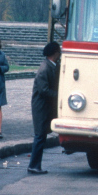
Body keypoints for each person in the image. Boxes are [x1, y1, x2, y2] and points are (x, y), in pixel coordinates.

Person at [28, 41, 61, 174]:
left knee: (41, 136)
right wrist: (59, 95)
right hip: (40, 107)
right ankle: (34, 165)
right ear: (55, 53)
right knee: (40, 136)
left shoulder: (51, 66)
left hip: (45, 106)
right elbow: (44, 90)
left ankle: (35, 165)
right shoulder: (44, 68)